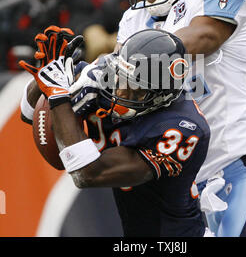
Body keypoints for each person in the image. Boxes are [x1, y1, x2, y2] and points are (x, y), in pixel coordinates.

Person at [80, 0, 246, 237]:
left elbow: (204, 37)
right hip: (186, 183)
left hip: (242, 166)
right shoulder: (134, 19)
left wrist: (128, 60)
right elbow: (122, 87)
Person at [19, 27, 211, 237]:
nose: (121, 92)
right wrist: (47, 74)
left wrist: (58, 96)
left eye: (136, 88)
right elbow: (29, 113)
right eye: (122, 78)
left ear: (162, 94)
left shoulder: (182, 128)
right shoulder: (105, 78)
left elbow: (88, 174)